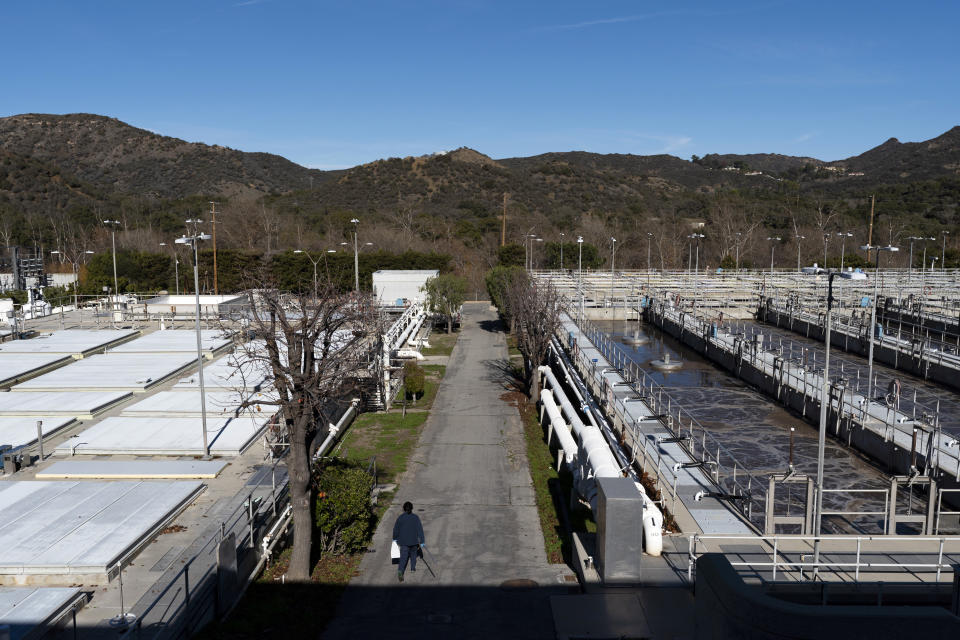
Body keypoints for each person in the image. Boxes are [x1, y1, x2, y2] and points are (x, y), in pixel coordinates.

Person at [392, 501, 425, 582]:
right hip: (414, 541)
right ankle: (412, 568)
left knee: (403, 557)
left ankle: (400, 571)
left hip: (403, 542)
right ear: (412, 508)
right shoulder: (416, 517)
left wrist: (395, 538)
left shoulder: (400, 518)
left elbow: (396, 529)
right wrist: (422, 541)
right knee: (413, 555)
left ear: (403, 509)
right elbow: (420, 530)